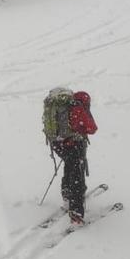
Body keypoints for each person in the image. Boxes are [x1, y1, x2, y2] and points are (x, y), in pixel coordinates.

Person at [42, 87, 98, 223]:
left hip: (56, 143)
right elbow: (92, 128)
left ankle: (67, 195)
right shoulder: (77, 107)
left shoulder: (61, 106)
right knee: (77, 175)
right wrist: (86, 115)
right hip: (72, 145)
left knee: (69, 166)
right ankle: (76, 212)